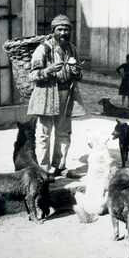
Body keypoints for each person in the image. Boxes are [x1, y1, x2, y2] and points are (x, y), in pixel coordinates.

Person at [27, 14, 85, 178]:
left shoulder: (73, 49)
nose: (63, 32)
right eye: (60, 29)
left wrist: (76, 72)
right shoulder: (43, 49)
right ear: (53, 31)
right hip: (47, 94)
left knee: (64, 132)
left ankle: (60, 166)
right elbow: (32, 75)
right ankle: (43, 170)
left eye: (66, 29)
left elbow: (81, 75)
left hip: (67, 94)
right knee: (44, 133)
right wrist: (49, 70)